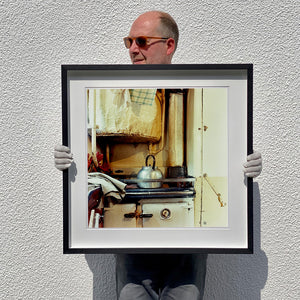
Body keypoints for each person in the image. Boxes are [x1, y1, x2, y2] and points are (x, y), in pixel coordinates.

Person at [54, 11, 262, 300]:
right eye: (128, 41)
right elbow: (84, 134)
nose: (132, 49)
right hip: (131, 249)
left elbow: (228, 140)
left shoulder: (202, 87)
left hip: (189, 247)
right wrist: (70, 161)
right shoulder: (108, 87)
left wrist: (243, 164)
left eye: (141, 41)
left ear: (169, 45)